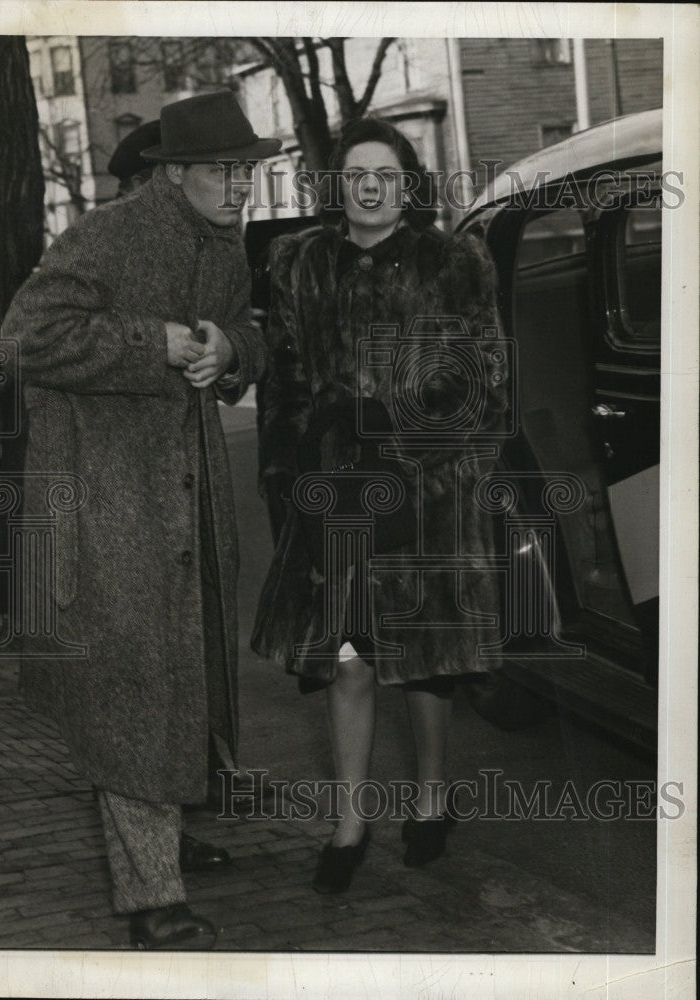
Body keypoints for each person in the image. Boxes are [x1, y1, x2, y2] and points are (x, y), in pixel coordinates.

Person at [2, 90, 280, 949]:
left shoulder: (223, 243)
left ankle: (162, 838)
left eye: (248, 171)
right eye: (224, 172)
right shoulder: (111, 232)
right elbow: (21, 338)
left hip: (189, 506)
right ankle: (151, 898)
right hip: (108, 503)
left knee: (178, 687)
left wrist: (231, 351)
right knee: (133, 694)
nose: (242, 188)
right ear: (174, 173)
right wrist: (150, 345)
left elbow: (246, 331)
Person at [252, 117, 509, 893]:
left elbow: (482, 372)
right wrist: (292, 467)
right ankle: (349, 820)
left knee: (423, 659)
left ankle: (431, 800)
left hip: (425, 491)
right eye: (355, 173)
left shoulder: (452, 261)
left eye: (385, 173)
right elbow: (285, 379)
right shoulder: (300, 263)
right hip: (335, 493)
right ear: (336, 185)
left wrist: (398, 419)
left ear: (407, 183)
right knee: (347, 657)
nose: (369, 186)